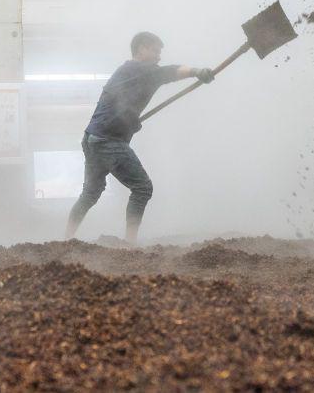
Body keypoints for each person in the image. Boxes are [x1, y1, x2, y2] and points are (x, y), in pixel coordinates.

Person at [65, 31, 214, 245]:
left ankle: (66, 239)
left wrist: (131, 120)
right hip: (108, 140)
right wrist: (197, 71)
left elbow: (118, 105)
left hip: (92, 138)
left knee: (90, 193)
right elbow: (169, 72)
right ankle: (130, 244)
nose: (158, 56)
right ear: (141, 48)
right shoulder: (139, 69)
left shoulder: (127, 72)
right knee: (142, 187)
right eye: (155, 50)